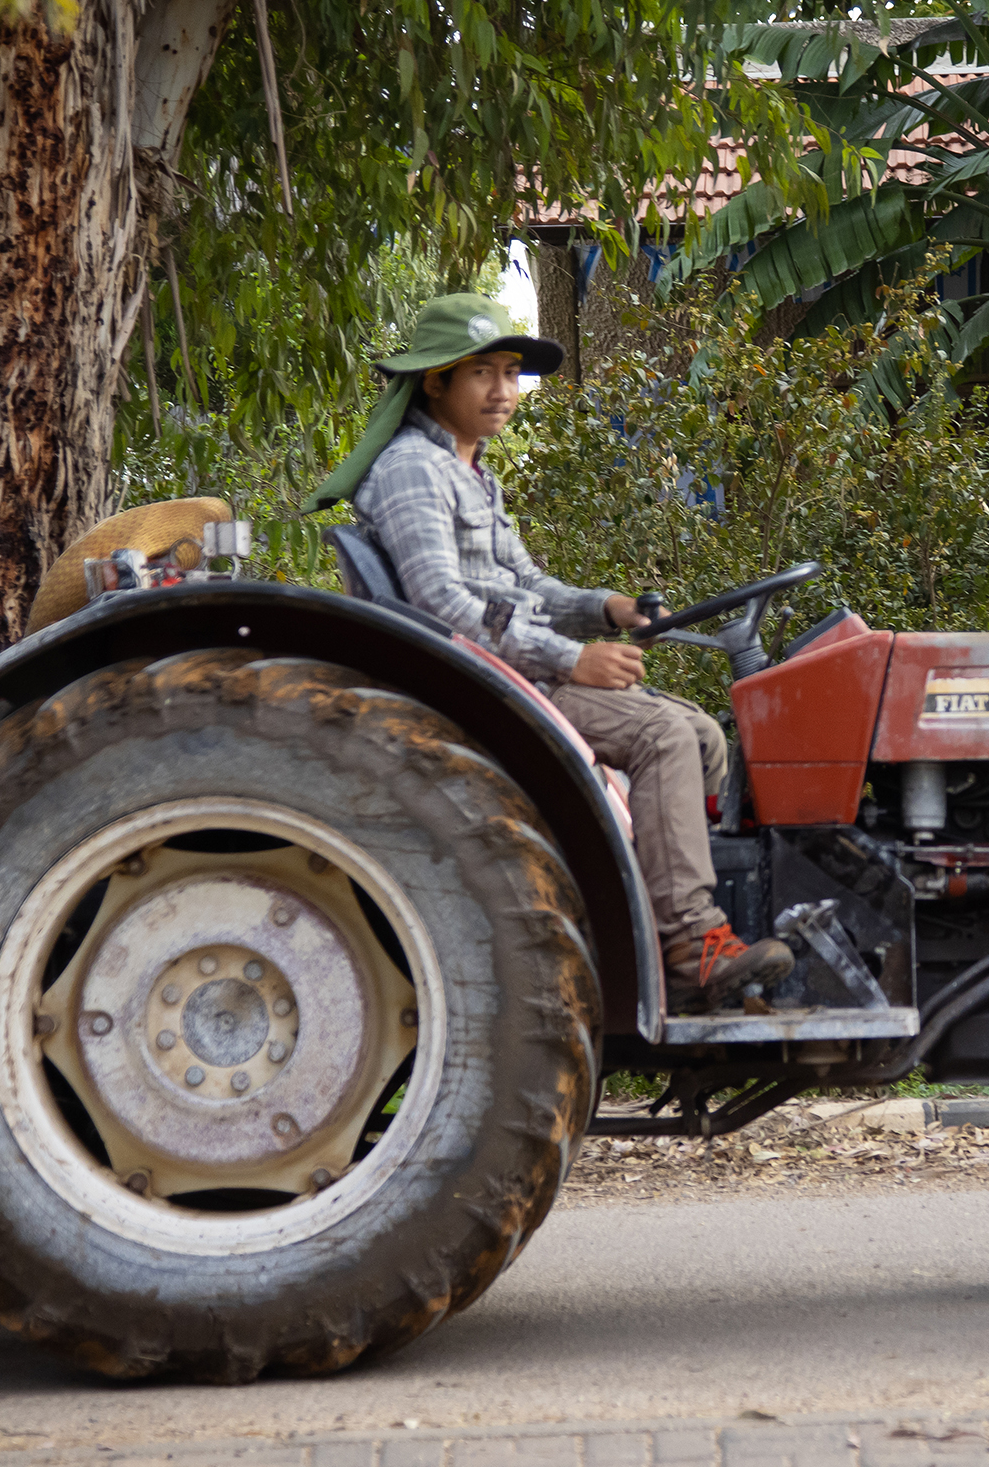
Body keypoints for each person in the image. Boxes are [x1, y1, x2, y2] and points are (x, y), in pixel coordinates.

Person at [311, 294, 795, 1011]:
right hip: (488, 681)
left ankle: (685, 944)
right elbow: (442, 606)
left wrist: (607, 607)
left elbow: (527, 584)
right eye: (481, 373)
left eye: (510, 372)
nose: (503, 390)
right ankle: (694, 944)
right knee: (663, 734)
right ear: (435, 382)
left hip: (518, 664)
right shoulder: (413, 468)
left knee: (697, 733)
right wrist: (573, 660)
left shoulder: (470, 470)